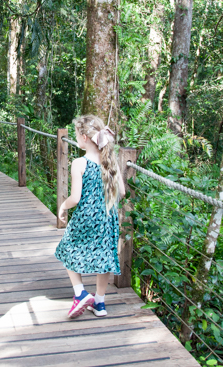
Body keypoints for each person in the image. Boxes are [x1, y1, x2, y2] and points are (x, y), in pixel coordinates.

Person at [54, 115, 125, 319]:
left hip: (85, 216)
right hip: (107, 218)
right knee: (104, 257)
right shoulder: (110, 161)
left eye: (76, 134)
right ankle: (100, 303)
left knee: (68, 248)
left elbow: (75, 198)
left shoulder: (79, 163)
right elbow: (121, 193)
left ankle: (80, 293)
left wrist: (63, 206)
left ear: (84, 137)